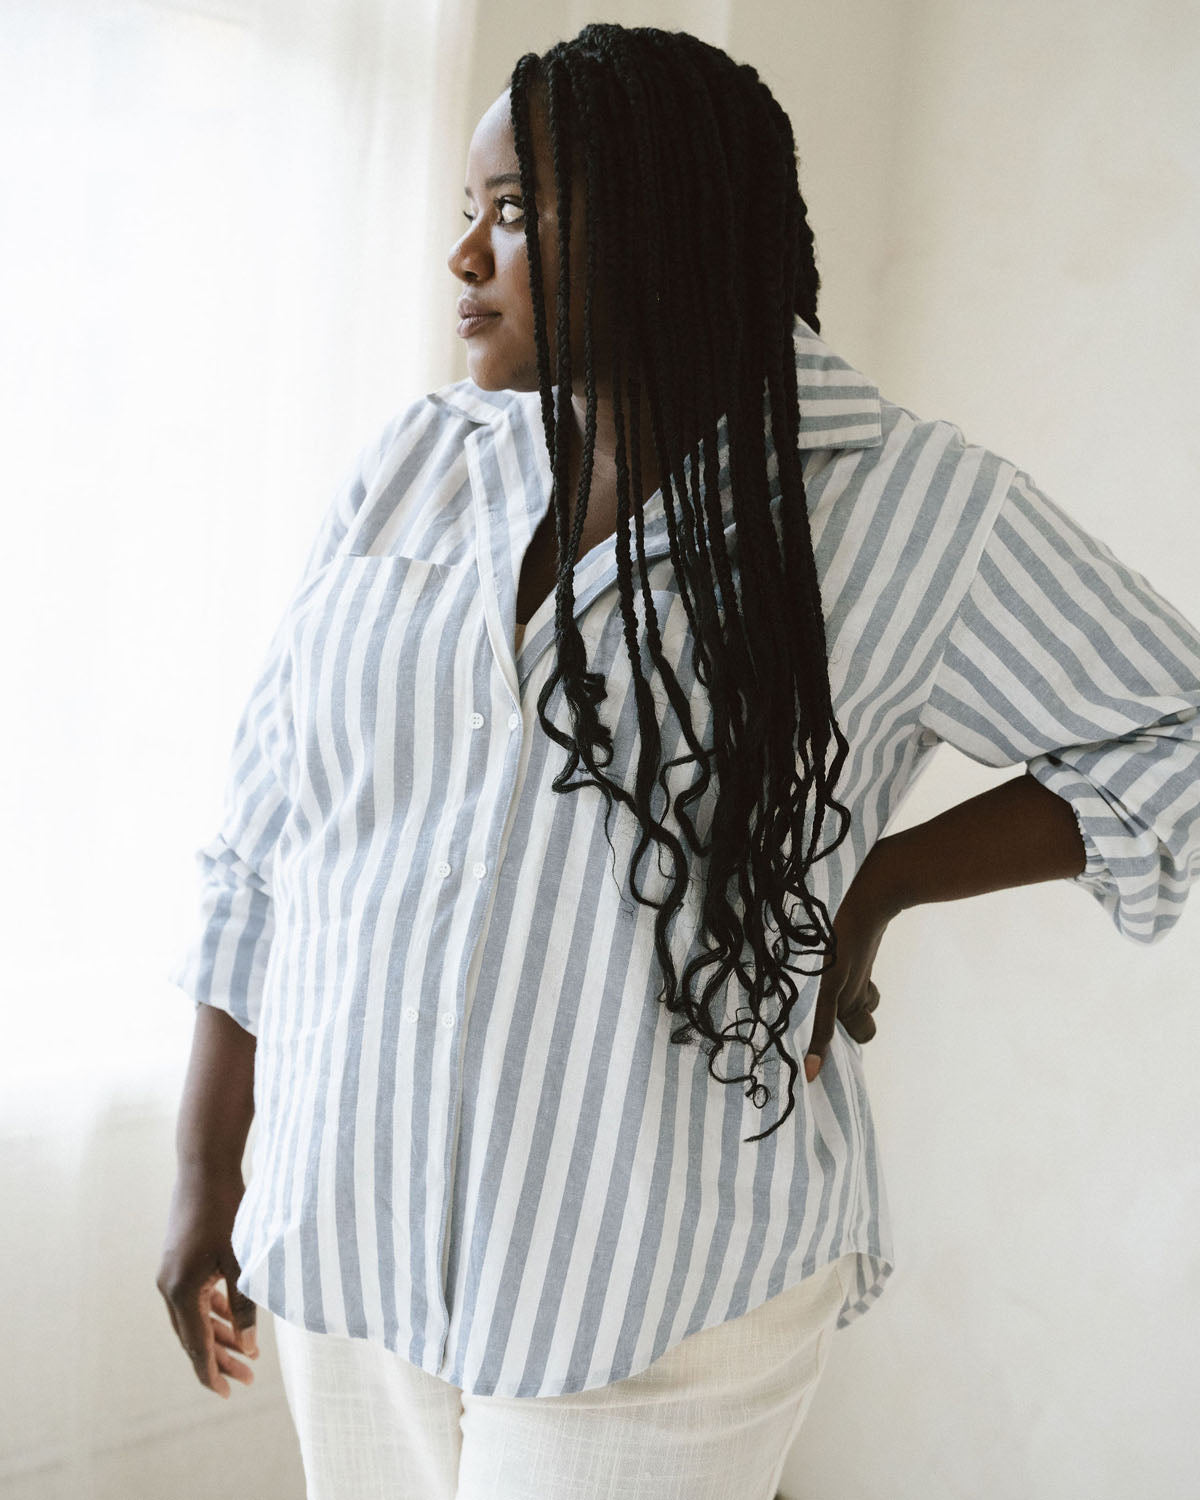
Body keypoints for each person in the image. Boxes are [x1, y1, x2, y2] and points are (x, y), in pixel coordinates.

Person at [157, 22, 1200, 1500]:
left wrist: (878, 884)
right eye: (469, 213)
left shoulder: (900, 509)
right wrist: (209, 1169)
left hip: (655, 1288)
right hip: (353, 1238)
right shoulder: (415, 464)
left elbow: (1179, 727)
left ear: (666, 220)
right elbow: (267, 835)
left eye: (512, 213)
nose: (464, 260)